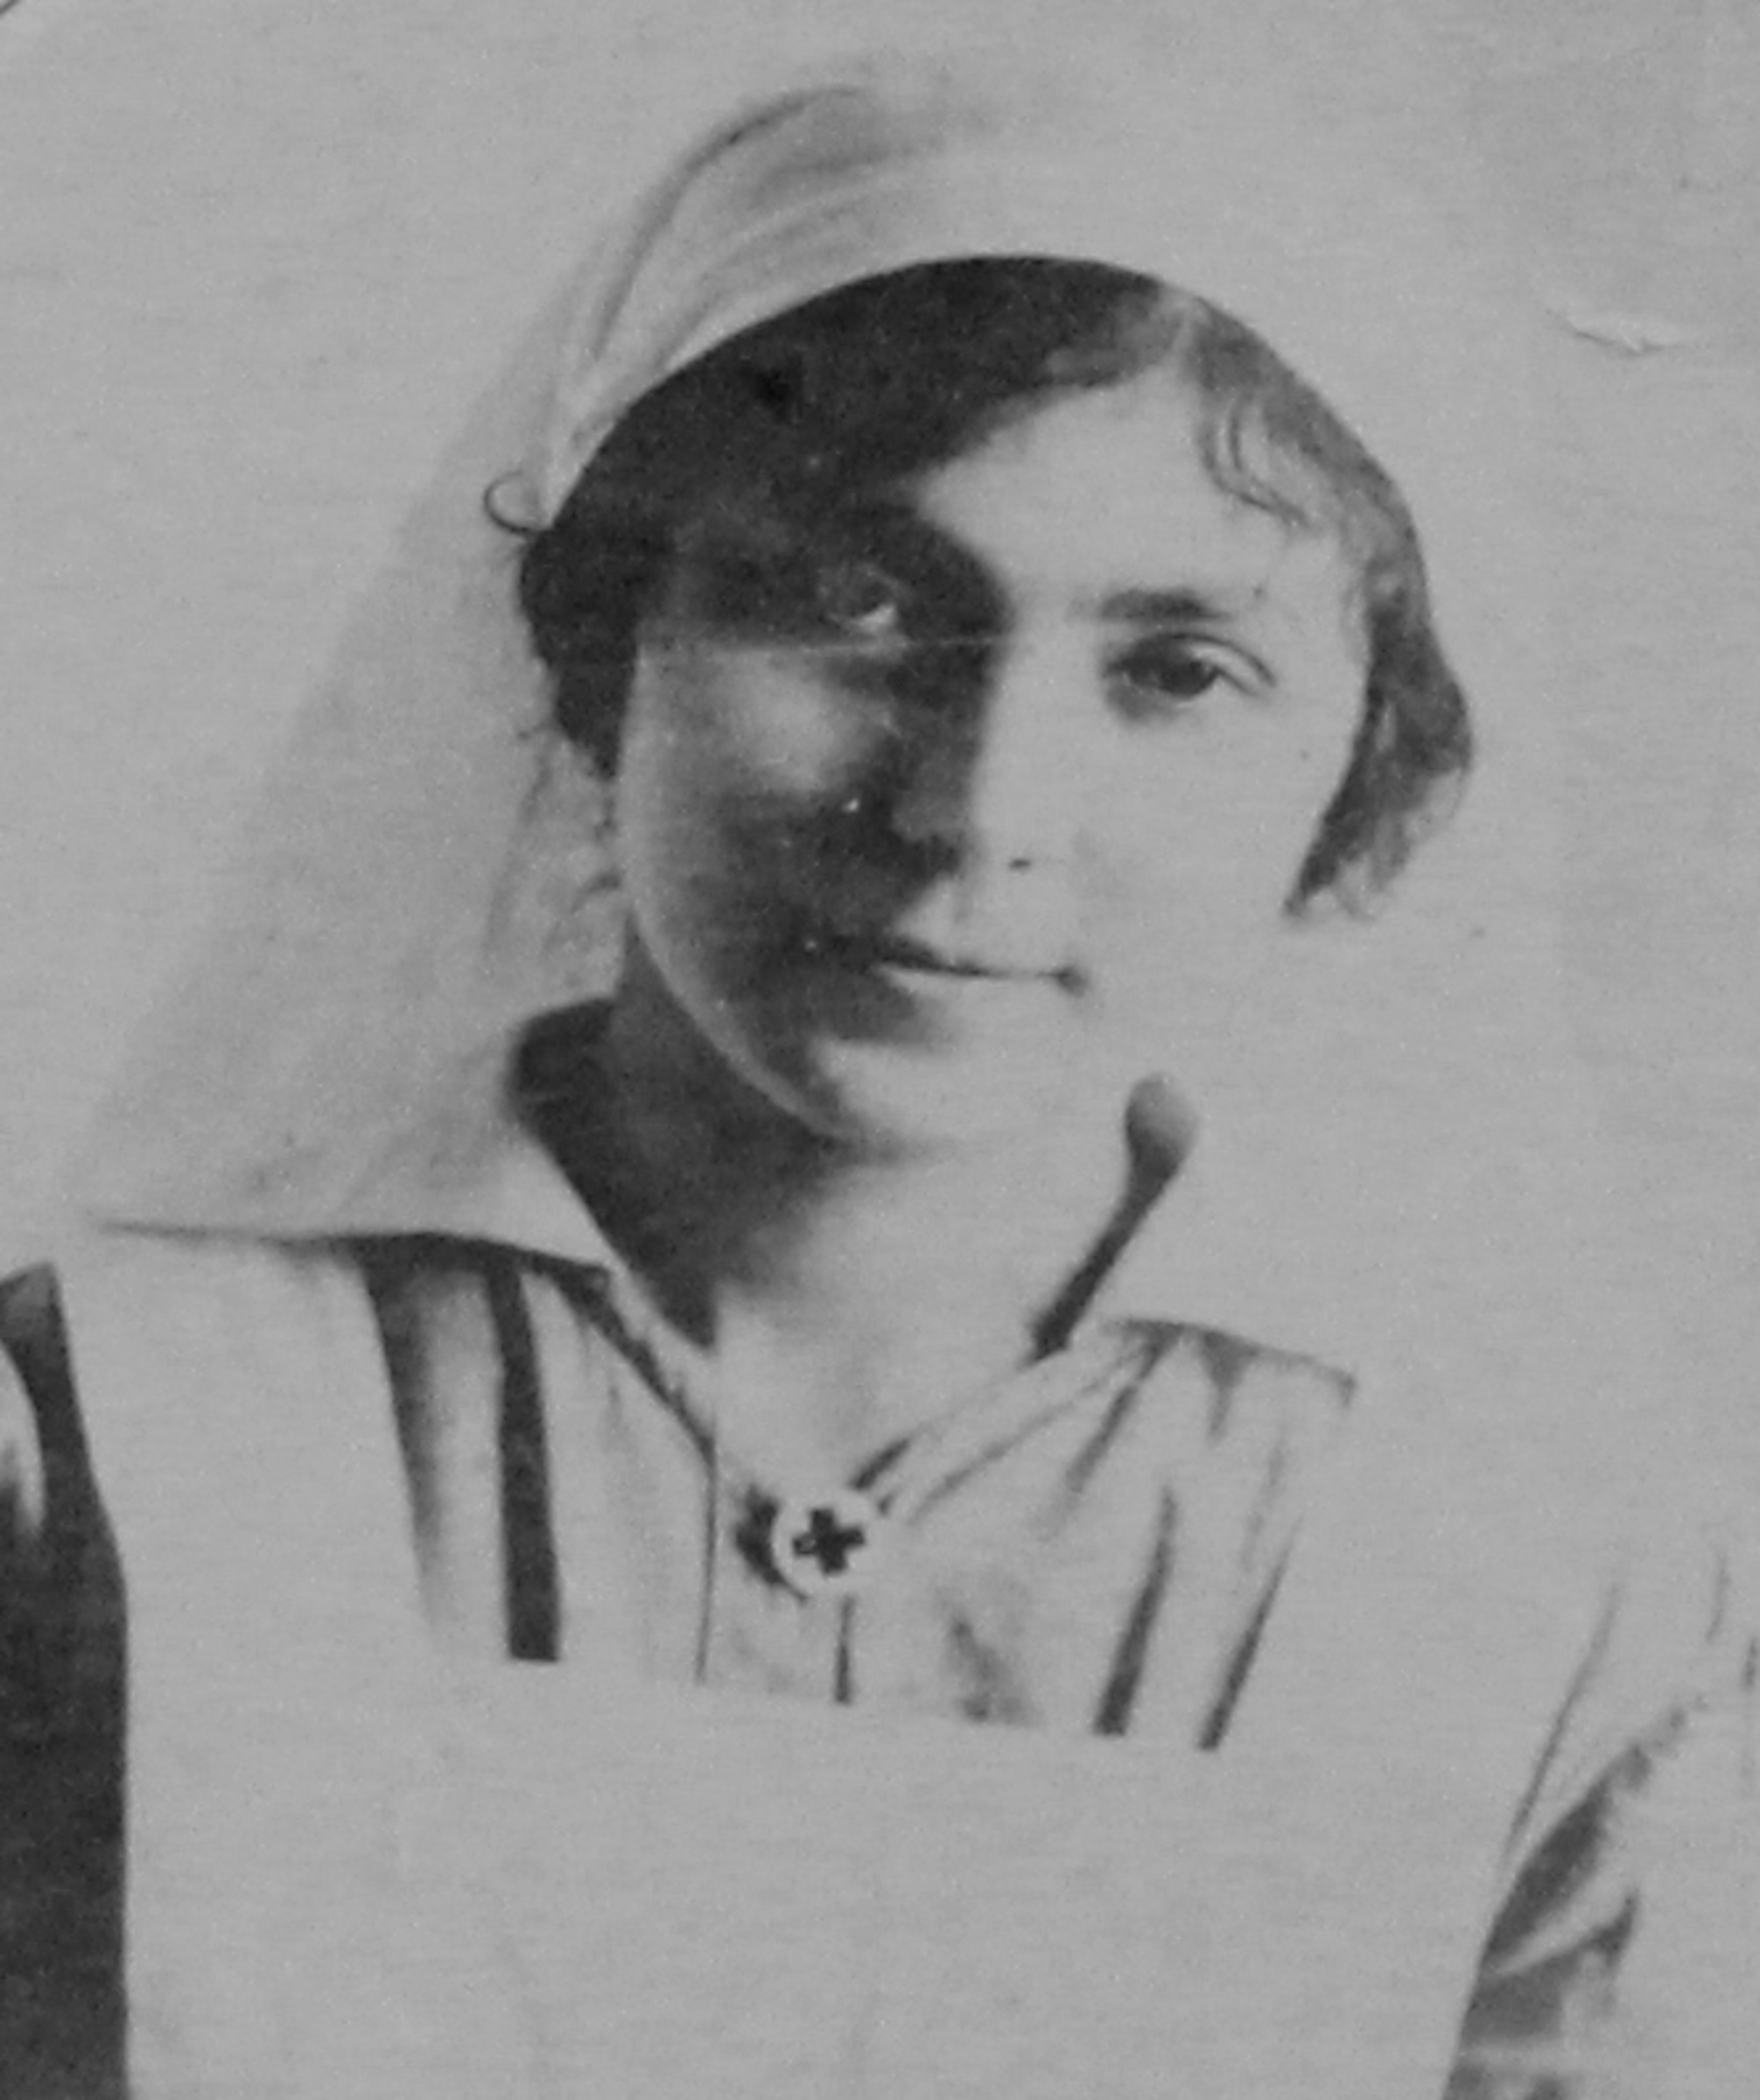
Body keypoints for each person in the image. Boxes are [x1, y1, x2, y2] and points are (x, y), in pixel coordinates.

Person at [3, 42, 1756, 2100]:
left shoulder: (1544, 1591)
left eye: (1177, 670)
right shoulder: (93, 1445)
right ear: (608, 635)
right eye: (855, 602)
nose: (977, 809)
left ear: (1354, 775)